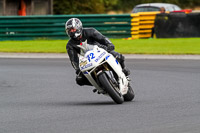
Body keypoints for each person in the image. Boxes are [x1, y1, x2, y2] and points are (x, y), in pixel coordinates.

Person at [65, 18, 130, 86]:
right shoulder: (70, 45)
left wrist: (109, 44)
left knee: (118, 56)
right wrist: (78, 69)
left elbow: (102, 38)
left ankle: (123, 70)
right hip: (88, 60)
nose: (71, 32)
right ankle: (99, 84)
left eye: (73, 29)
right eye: (69, 30)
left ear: (78, 27)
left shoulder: (90, 31)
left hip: (101, 51)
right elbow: (73, 60)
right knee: (79, 80)